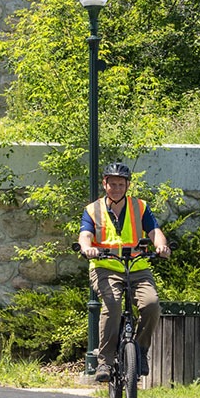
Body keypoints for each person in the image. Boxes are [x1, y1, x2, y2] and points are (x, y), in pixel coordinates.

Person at [77, 162, 171, 383]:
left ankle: (139, 351)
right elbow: (85, 234)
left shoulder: (139, 206)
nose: (116, 188)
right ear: (105, 184)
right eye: (112, 184)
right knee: (112, 306)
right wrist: (87, 248)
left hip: (137, 267)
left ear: (127, 185)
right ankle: (105, 362)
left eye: (121, 184)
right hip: (105, 268)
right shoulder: (93, 210)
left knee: (151, 305)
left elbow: (155, 230)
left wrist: (161, 246)